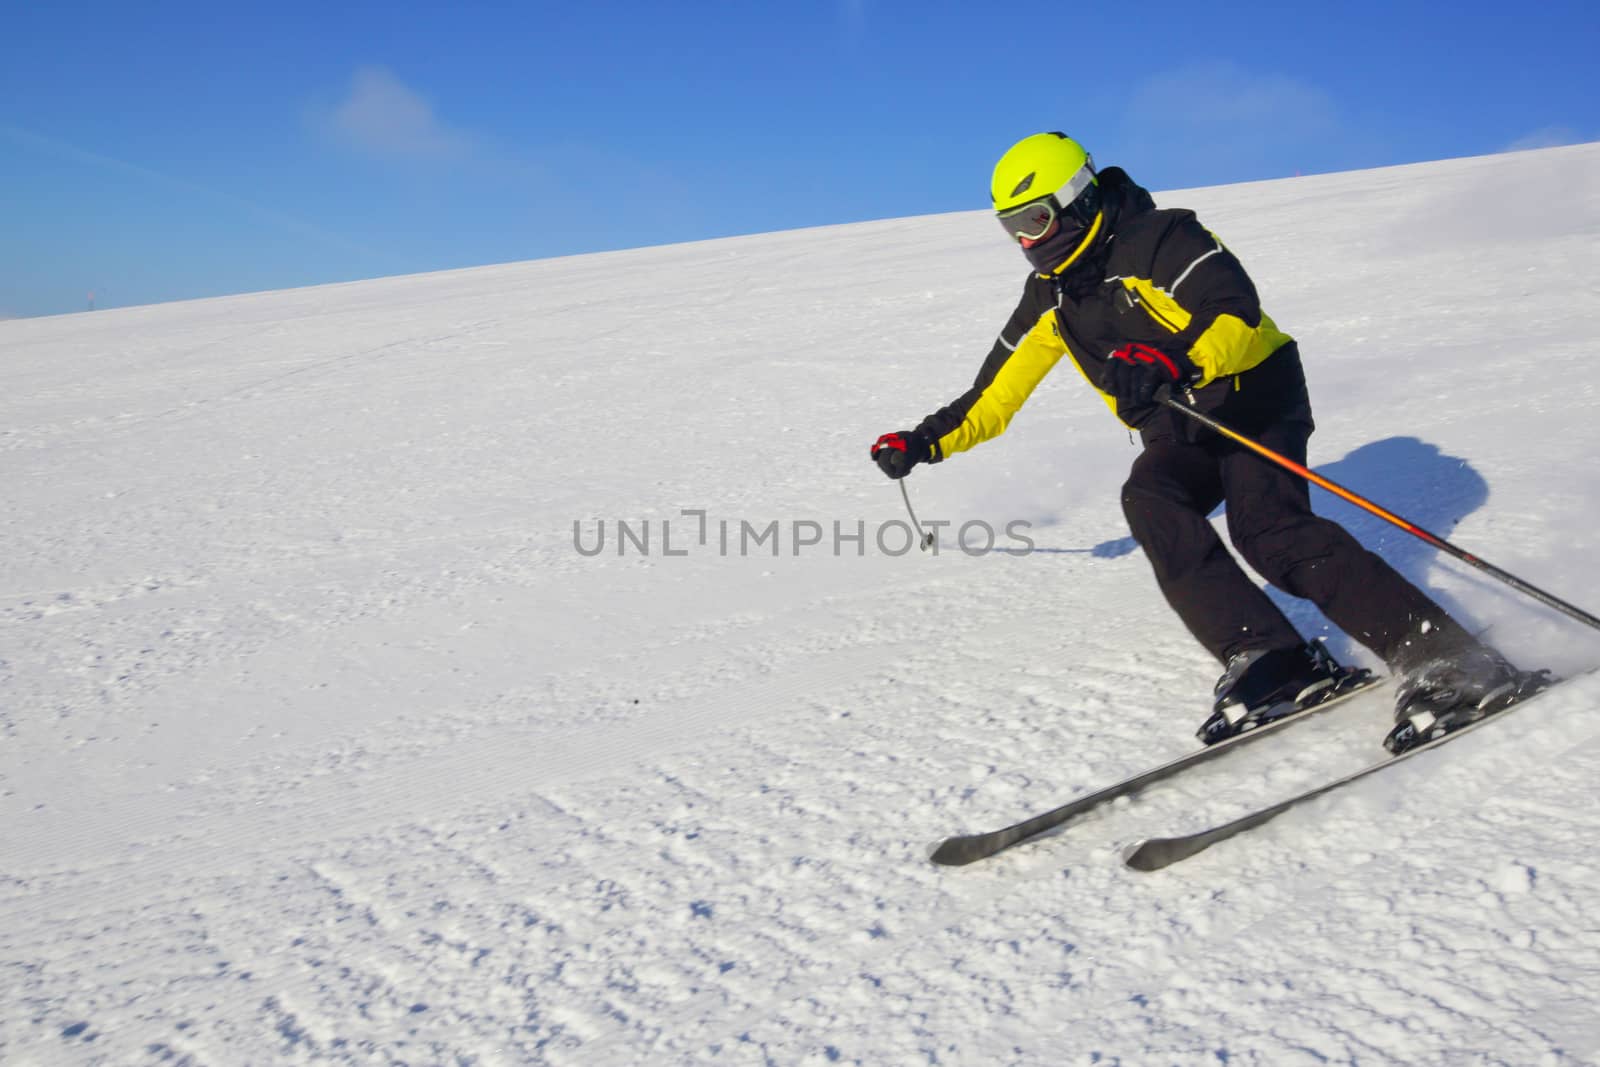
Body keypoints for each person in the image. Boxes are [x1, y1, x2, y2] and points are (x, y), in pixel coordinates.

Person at [870, 131, 1544, 754]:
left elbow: (1235, 312)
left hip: (1254, 394)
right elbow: (994, 392)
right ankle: (1270, 656)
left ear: (1075, 200)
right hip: (1177, 423)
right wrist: (922, 441)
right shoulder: (1051, 293)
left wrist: (1178, 361)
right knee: (1150, 494)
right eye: (1012, 227)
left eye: (1035, 220)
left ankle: (1446, 658)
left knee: (1270, 531)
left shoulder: (1161, 238)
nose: (1026, 240)